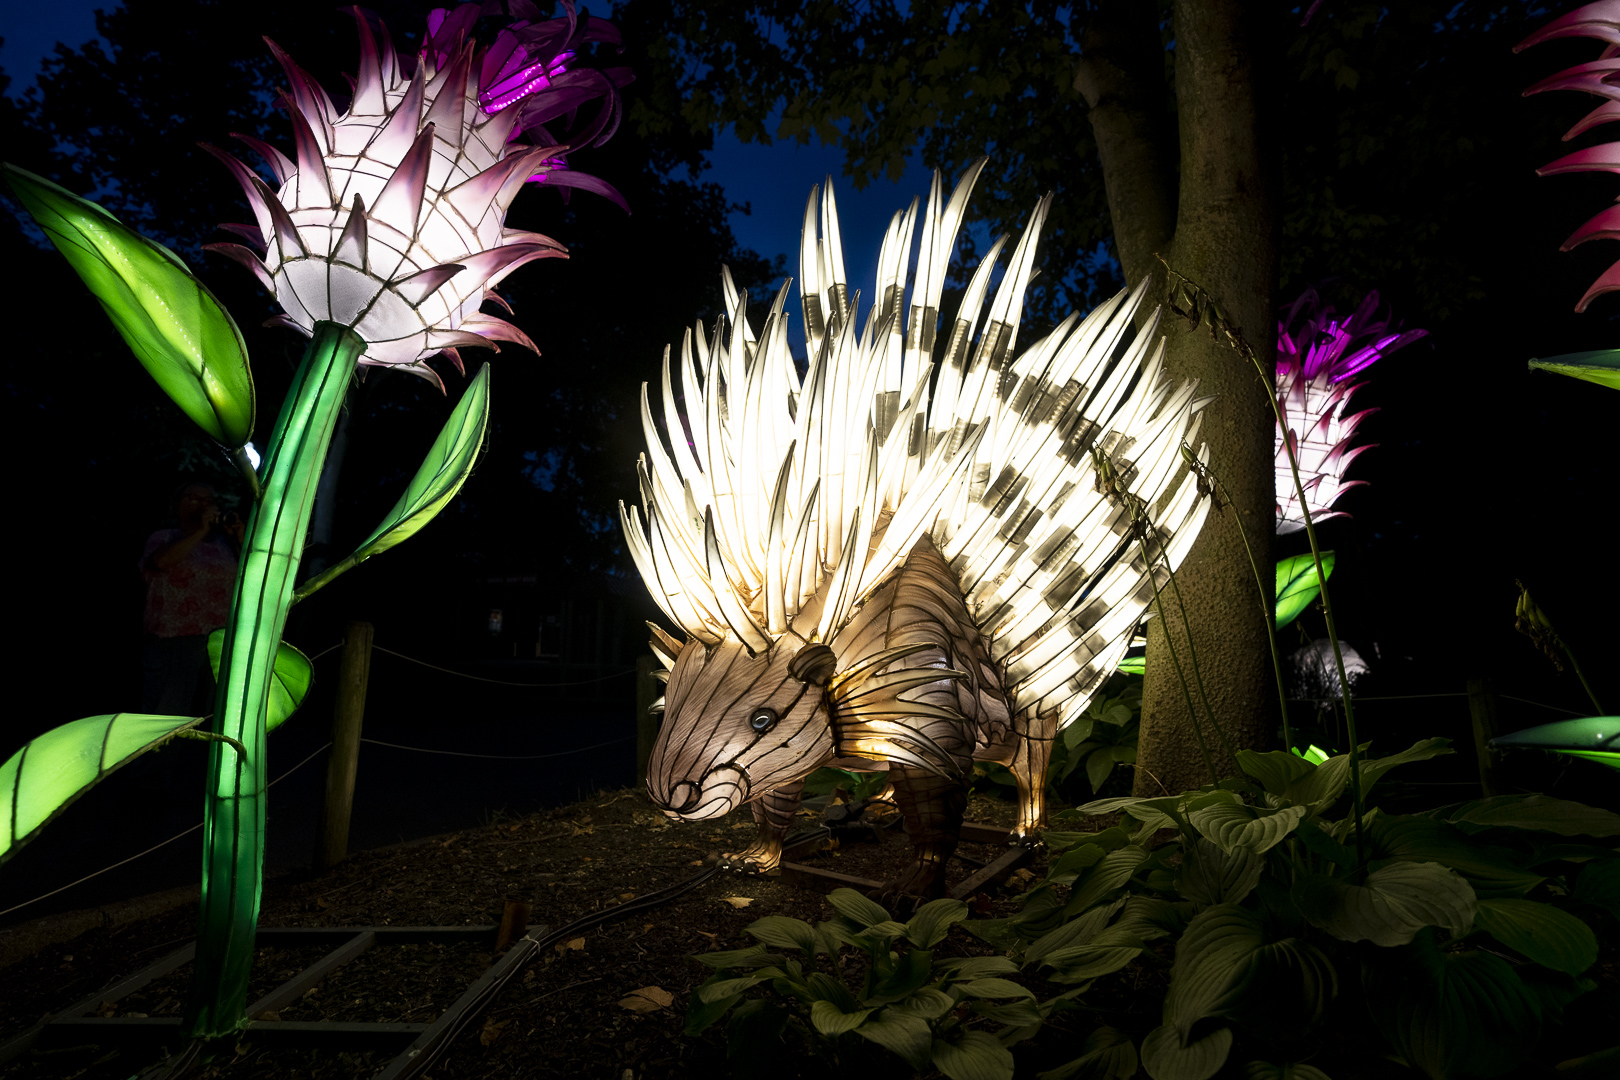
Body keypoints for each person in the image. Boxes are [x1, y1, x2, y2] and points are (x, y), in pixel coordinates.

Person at [139, 483, 245, 716]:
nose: (204, 505)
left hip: (219, 639)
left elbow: (249, 577)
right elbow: (161, 562)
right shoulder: (163, 537)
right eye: (195, 499)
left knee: (213, 713)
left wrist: (240, 538)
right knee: (166, 712)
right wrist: (200, 532)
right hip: (174, 639)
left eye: (208, 500)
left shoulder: (222, 544)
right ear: (177, 505)